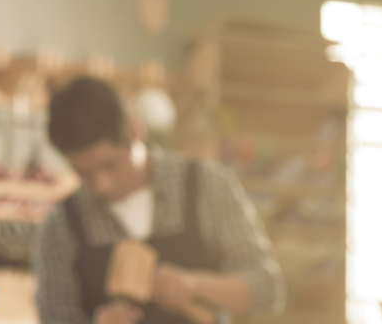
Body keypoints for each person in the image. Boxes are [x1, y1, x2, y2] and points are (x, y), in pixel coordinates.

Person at [32, 78, 285, 324]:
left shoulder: (205, 186)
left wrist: (196, 286)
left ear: (135, 131)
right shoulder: (61, 227)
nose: (102, 185)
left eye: (109, 165)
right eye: (84, 173)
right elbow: (54, 316)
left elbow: (267, 288)